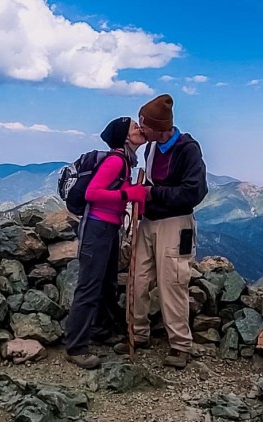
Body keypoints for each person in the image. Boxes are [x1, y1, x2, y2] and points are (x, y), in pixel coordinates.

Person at [114, 94, 208, 369]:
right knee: (138, 278)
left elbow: (194, 192)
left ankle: (180, 345)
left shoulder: (187, 149)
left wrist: (152, 194)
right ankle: (138, 333)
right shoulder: (151, 148)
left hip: (175, 223)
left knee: (172, 282)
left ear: (161, 126)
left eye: (146, 125)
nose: (142, 129)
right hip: (149, 220)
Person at [65, 116, 148, 369]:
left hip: (107, 227)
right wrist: (127, 194)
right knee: (90, 286)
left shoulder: (126, 162)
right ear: (125, 137)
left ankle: (101, 330)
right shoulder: (115, 161)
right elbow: (93, 193)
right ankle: (76, 347)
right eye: (135, 127)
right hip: (97, 228)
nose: (140, 130)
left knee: (107, 283)